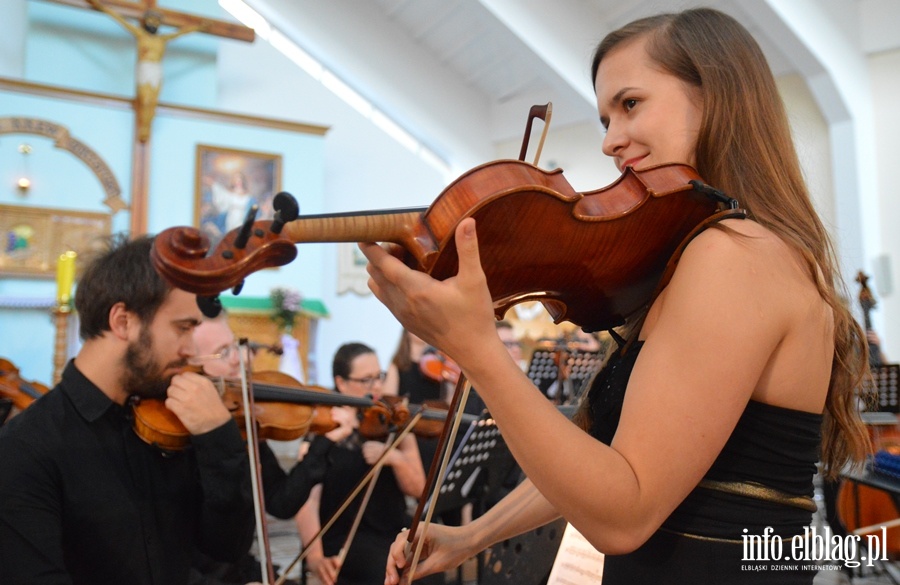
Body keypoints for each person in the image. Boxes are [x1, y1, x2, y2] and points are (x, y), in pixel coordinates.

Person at [362, 8, 871, 584]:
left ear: (716, 96)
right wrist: (471, 535)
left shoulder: (737, 255)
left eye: (630, 104)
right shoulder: (713, 254)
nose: (609, 141)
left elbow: (623, 515)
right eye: (605, 116)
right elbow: (606, 458)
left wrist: (477, 350)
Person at [0, 235, 256, 585]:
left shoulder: (171, 422)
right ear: (122, 321)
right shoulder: (24, 449)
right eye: (183, 328)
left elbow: (227, 547)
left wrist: (218, 439)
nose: (190, 350)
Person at [188, 314, 354, 585]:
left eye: (234, 347)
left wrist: (325, 442)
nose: (238, 359)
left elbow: (281, 501)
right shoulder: (178, 436)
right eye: (222, 353)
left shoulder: (243, 424)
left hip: (241, 570)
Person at [295, 342, 426, 585]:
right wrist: (314, 556)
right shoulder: (325, 427)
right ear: (341, 383)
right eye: (366, 380)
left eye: (379, 377)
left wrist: (394, 457)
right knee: (385, 572)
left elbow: (419, 488)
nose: (376, 386)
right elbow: (306, 499)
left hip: (392, 526)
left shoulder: (393, 417)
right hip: (344, 536)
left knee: (429, 563)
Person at [86, 0, 206, 142]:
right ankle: (143, 126)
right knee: (144, 99)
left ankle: (146, 128)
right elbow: (121, 20)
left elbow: (181, 33)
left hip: (156, 69)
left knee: (153, 101)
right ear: (145, 21)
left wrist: (200, 27)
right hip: (145, 67)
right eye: (151, 20)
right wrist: (102, 7)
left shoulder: (162, 39)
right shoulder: (141, 35)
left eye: (156, 21)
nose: (153, 23)